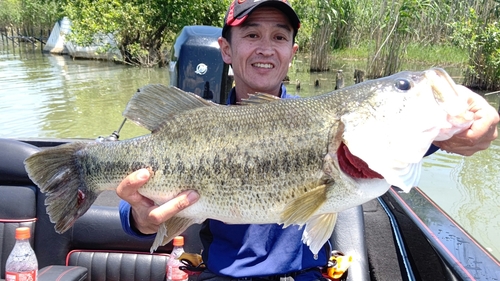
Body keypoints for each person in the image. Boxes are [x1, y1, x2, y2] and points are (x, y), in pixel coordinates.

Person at [117, 0, 500, 280]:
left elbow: (408, 138)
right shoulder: (195, 125)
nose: (266, 47)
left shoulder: (333, 124)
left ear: (292, 53)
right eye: (252, 34)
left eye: (279, 36)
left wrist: (470, 127)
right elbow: (134, 204)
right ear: (226, 50)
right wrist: (141, 218)